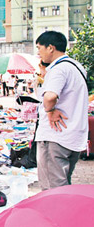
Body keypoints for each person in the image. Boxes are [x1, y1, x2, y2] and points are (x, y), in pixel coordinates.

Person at [34, 31, 88, 190]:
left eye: (39, 48)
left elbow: (50, 97)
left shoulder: (59, 69)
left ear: (51, 48)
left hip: (55, 136)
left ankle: (57, 215)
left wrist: (49, 110)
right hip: (72, 135)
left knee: (53, 190)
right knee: (64, 185)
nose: (38, 53)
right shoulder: (77, 67)